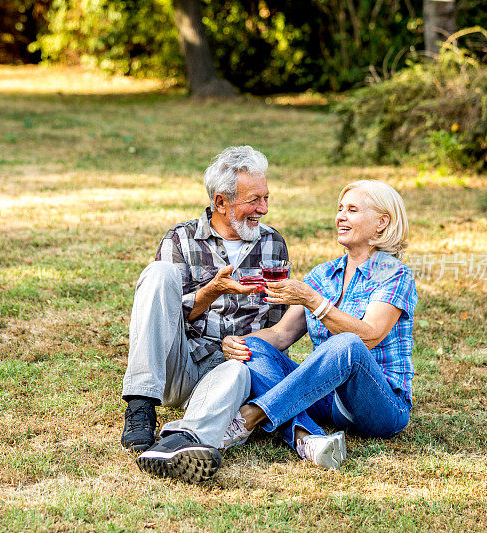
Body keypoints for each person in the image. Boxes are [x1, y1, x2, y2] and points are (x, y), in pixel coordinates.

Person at [221, 179, 417, 469]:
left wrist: (314, 301)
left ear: (381, 222)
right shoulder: (323, 274)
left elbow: (370, 337)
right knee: (252, 345)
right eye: (340, 209)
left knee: (348, 343)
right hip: (325, 399)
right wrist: (237, 343)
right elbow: (281, 333)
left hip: (380, 405)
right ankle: (306, 437)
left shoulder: (394, 274)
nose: (341, 217)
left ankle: (252, 415)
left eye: (352, 210)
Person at [121, 145, 289, 483]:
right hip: (180, 364)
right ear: (221, 202)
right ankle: (140, 404)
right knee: (158, 275)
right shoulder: (181, 239)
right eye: (253, 200)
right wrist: (212, 291)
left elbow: (278, 328)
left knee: (239, 373)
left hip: (230, 370)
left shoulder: (273, 245)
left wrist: (244, 346)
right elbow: (163, 320)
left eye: (266, 197)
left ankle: (179, 442)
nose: (264, 209)